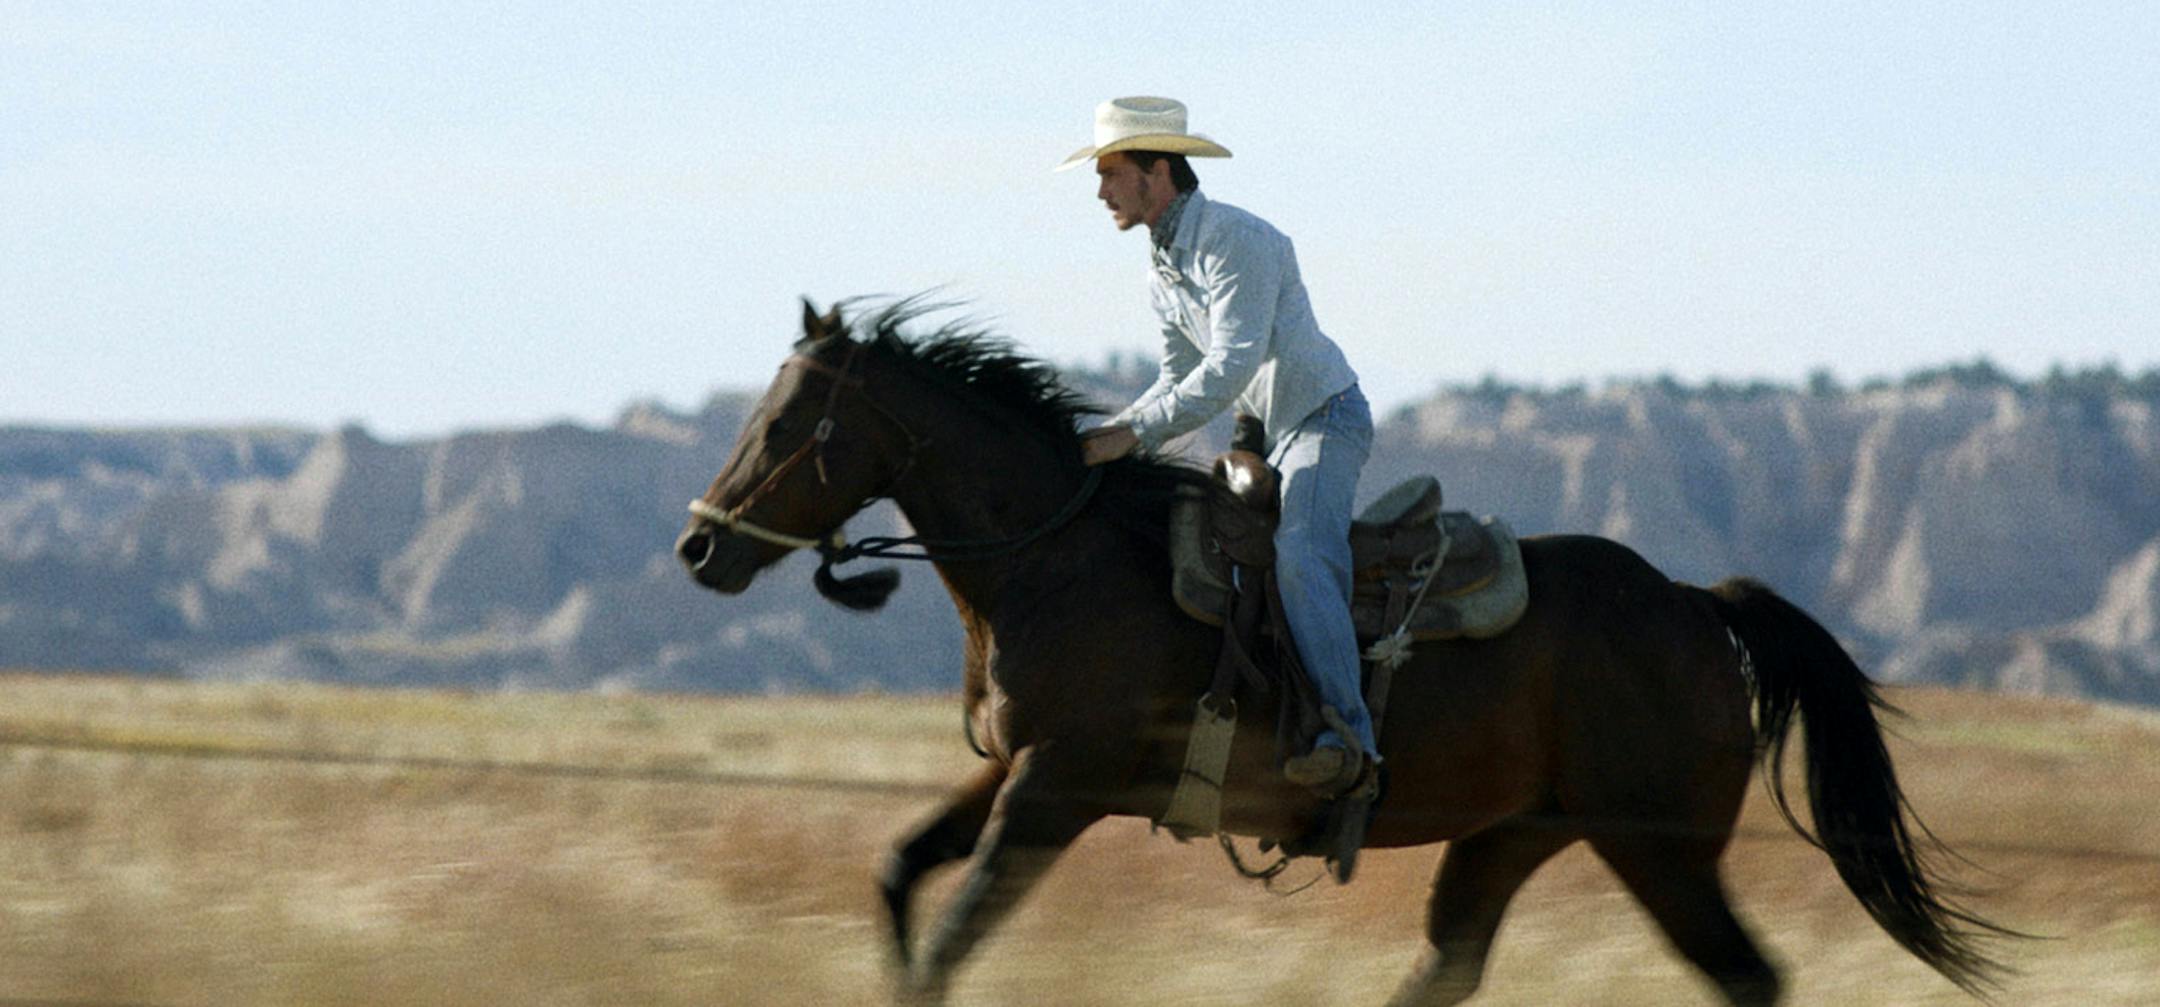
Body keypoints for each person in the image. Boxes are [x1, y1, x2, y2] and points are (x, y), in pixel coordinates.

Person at [1058, 96, 1375, 792]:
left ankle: (1349, 738)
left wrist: (1130, 435)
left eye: (1110, 170)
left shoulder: (1236, 240)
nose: (1100, 188)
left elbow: (1229, 365)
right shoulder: (1161, 268)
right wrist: (1106, 436)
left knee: (1298, 556)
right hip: (1264, 430)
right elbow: (1177, 377)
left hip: (1324, 419)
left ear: (1158, 170)